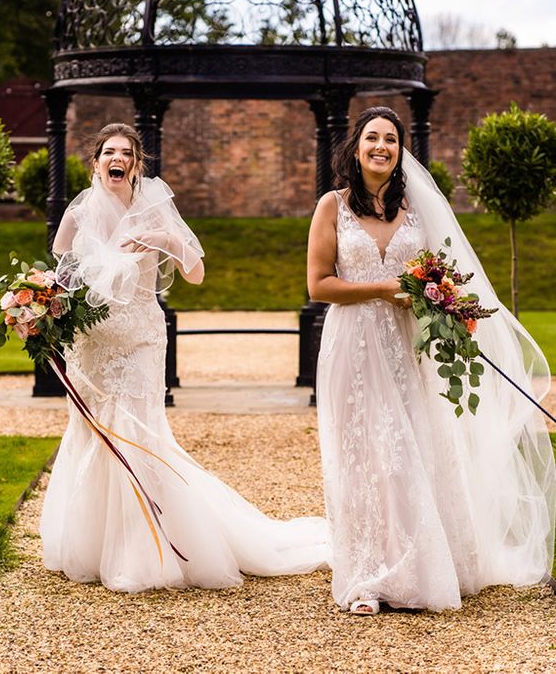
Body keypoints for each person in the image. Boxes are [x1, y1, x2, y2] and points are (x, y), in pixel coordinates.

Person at [40, 122, 329, 592]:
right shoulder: (78, 215)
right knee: (91, 435)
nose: (118, 159)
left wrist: (167, 240)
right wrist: (38, 309)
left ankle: (145, 550)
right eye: (109, 152)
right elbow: (62, 277)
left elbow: (194, 274)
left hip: (139, 339)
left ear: (136, 164)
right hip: (91, 347)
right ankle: (91, 545)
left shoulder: (154, 207)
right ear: (96, 163)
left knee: (137, 434)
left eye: (126, 153)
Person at [307, 106, 556, 615]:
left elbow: (440, 277)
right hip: (352, 345)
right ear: (356, 148)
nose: (381, 147)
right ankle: (369, 576)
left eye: (391, 141)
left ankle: (420, 566)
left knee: (410, 450)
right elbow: (318, 285)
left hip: (406, 347)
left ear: (401, 153)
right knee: (366, 457)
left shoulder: (415, 213)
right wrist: (386, 288)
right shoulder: (331, 207)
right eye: (372, 138)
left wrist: (447, 308)